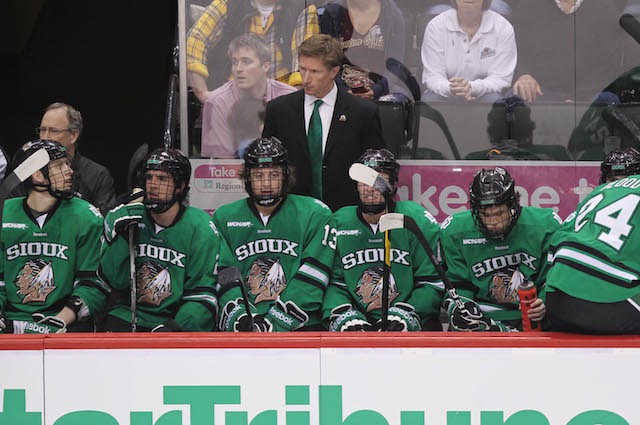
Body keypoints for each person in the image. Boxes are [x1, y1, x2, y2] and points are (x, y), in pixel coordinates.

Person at [213, 137, 335, 332]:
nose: (267, 183)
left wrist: (276, 321)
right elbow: (224, 274)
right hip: (246, 326)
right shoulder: (224, 217)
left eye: (274, 175)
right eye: (259, 176)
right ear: (247, 178)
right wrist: (241, 317)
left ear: (286, 176)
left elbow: (315, 274)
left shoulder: (314, 214)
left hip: (300, 327)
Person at [324, 149, 444, 332]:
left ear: (394, 185)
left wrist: (407, 313)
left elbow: (432, 283)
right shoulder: (338, 222)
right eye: (364, 182)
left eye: (379, 180)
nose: (370, 189)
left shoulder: (416, 220)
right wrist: (344, 315)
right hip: (358, 321)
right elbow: (333, 284)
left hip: (407, 325)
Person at [100, 148, 219, 332]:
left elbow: (202, 296)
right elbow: (114, 280)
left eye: (162, 179)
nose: (153, 185)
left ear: (180, 186)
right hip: (128, 315)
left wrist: (175, 328)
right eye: (149, 178)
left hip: (173, 319)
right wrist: (122, 237)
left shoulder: (201, 227)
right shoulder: (131, 217)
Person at [262, 34, 384, 211]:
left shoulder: (363, 113)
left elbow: (376, 169)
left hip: (345, 214)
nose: (305, 79)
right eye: (302, 69)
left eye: (315, 71)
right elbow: (267, 165)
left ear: (333, 72)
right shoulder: (278, 110)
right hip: (293, 213)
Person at [0, 140, 107, 334]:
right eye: (59, 166)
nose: (69, 171)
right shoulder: (4, 214)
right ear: (37, 175)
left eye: (67, 164)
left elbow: (93, 285)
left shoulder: (86, 216)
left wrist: (60, 319)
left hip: (62, 321)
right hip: (10, 320)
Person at [439, 167, 562, 331]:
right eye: (486, 215)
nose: (493, 222)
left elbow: (555, 276)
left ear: (513, 204)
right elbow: (457, 284)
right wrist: (463, 309)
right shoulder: (455, 231)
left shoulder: (545, 225)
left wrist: (545, 301)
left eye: (499, 214)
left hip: (531, 320)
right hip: (482, 321)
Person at [546, 148, 640, 333]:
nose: (619, 183)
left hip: (556, 300)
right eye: (613, 179)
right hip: (606, 300)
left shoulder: (594, 195)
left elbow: (555, 247)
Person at [510, 0, 635, 103]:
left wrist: (577, 98)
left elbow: (608, 64)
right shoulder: (529, 5)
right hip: (542, 91)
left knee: (608, 100)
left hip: (590, 95)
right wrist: (524, 74)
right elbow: (518, 49)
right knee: (515, 98)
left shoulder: (604, 7)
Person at [186, 0, 302, 102]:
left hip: (281, 97)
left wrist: (291, 104)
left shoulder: (300, 8)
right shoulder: (227, 4)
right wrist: (203, 94)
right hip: (233, 99)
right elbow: (195, 40)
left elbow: (305, 57)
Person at [201, 34, 296, 158]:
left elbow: (295, 151)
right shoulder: (217, 101)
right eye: (235, 62)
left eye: (246, 61)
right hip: (233, 174)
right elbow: (224, 162)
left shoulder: (289, 96)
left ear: (266, 66)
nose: (238, 69)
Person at [291, 0, 406, 100]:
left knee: (395, 101)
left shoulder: (392, 14)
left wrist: (376, 90)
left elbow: (396, 65)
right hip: (337, 87)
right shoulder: (330, 13)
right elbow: (326, 62)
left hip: (381, 88)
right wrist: (344, 91)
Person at [421, 0, 516, 102]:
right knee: (430, 100)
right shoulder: (435, 26)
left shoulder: (503, 28)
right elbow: (433, 76)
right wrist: (452, 89)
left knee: (494, 100)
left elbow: (500, 79)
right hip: (446, 93)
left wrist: (471, 87)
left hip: (485, 94)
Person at [36, 102, 116, 214]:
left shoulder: (98, 176)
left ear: (73, 135)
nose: (45, 138)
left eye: (54, 131)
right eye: (42, 130)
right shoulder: (29, 169)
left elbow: (104, 221)